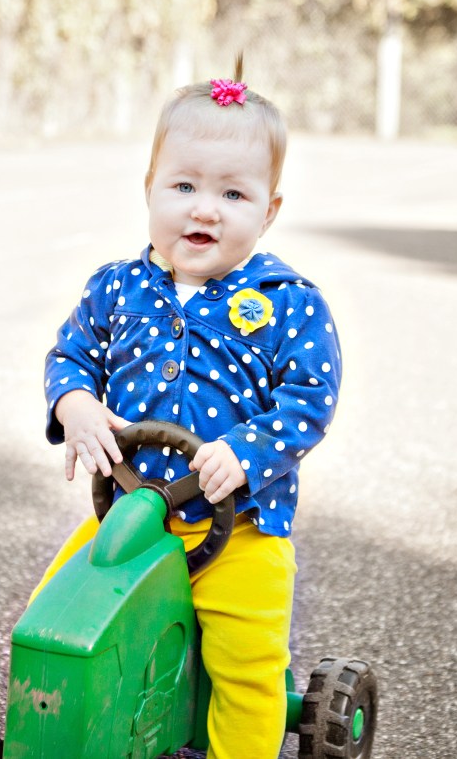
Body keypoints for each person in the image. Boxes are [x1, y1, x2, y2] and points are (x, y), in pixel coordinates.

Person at [39, 58, 342, 759]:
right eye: (184, 185)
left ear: (267, 211)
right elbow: (72, 354)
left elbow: (309, 400)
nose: (204, 208)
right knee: (55, 617)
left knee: (245, 664)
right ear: (150, 190)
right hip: (130, 519)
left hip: (239, 533)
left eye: (233, 193)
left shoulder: (289, 302)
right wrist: (76, 400)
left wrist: (246, 452)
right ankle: (55, 735)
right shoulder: (117, 288)